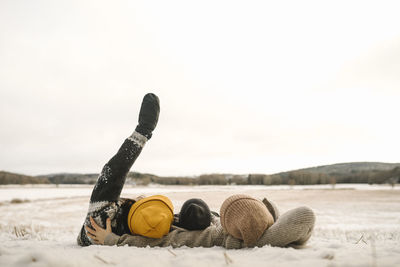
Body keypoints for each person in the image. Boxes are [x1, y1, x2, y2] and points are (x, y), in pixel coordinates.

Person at [79, 93, 316, 248]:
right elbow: (114, 170)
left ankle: (258, 219)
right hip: (245, 231)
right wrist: (143, 131)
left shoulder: (121, 222)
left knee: (202, 216)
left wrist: (142, 133)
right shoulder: (102, 218)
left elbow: (113, 172)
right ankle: (258, 221)